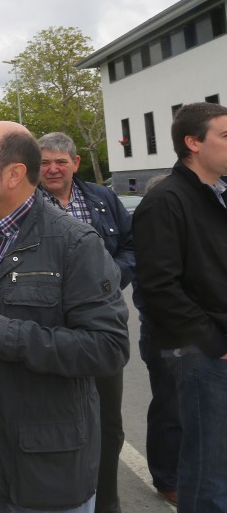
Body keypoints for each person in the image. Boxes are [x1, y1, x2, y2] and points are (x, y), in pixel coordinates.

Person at [0, 122, 129, 512]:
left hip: (41, 447)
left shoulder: (75, 243)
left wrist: (7, 337)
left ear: (14, 174)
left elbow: (108, 347)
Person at [133, 101, 227, 512]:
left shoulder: (218, 193)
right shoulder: (165, 201)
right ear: (193, 143)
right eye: (225, 135)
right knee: (208, 471)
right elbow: (159, 287)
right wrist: (212, 344)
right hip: (202, 353)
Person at [37, 131, 133, 513]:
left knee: (109, 423)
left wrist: (108, 279)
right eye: (44, 162)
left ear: (75, 163)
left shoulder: (103, 199)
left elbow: (131, 246)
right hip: (50, 328)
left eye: (60, 161)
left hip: (101, 325)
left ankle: (106, 502)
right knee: (54, 423)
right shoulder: (26, 202)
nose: (53, 169)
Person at [130, 173, 181, 505]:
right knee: (170, 408)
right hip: (165, 334)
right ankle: (168, 479)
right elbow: (150, 293)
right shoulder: (150, 236)